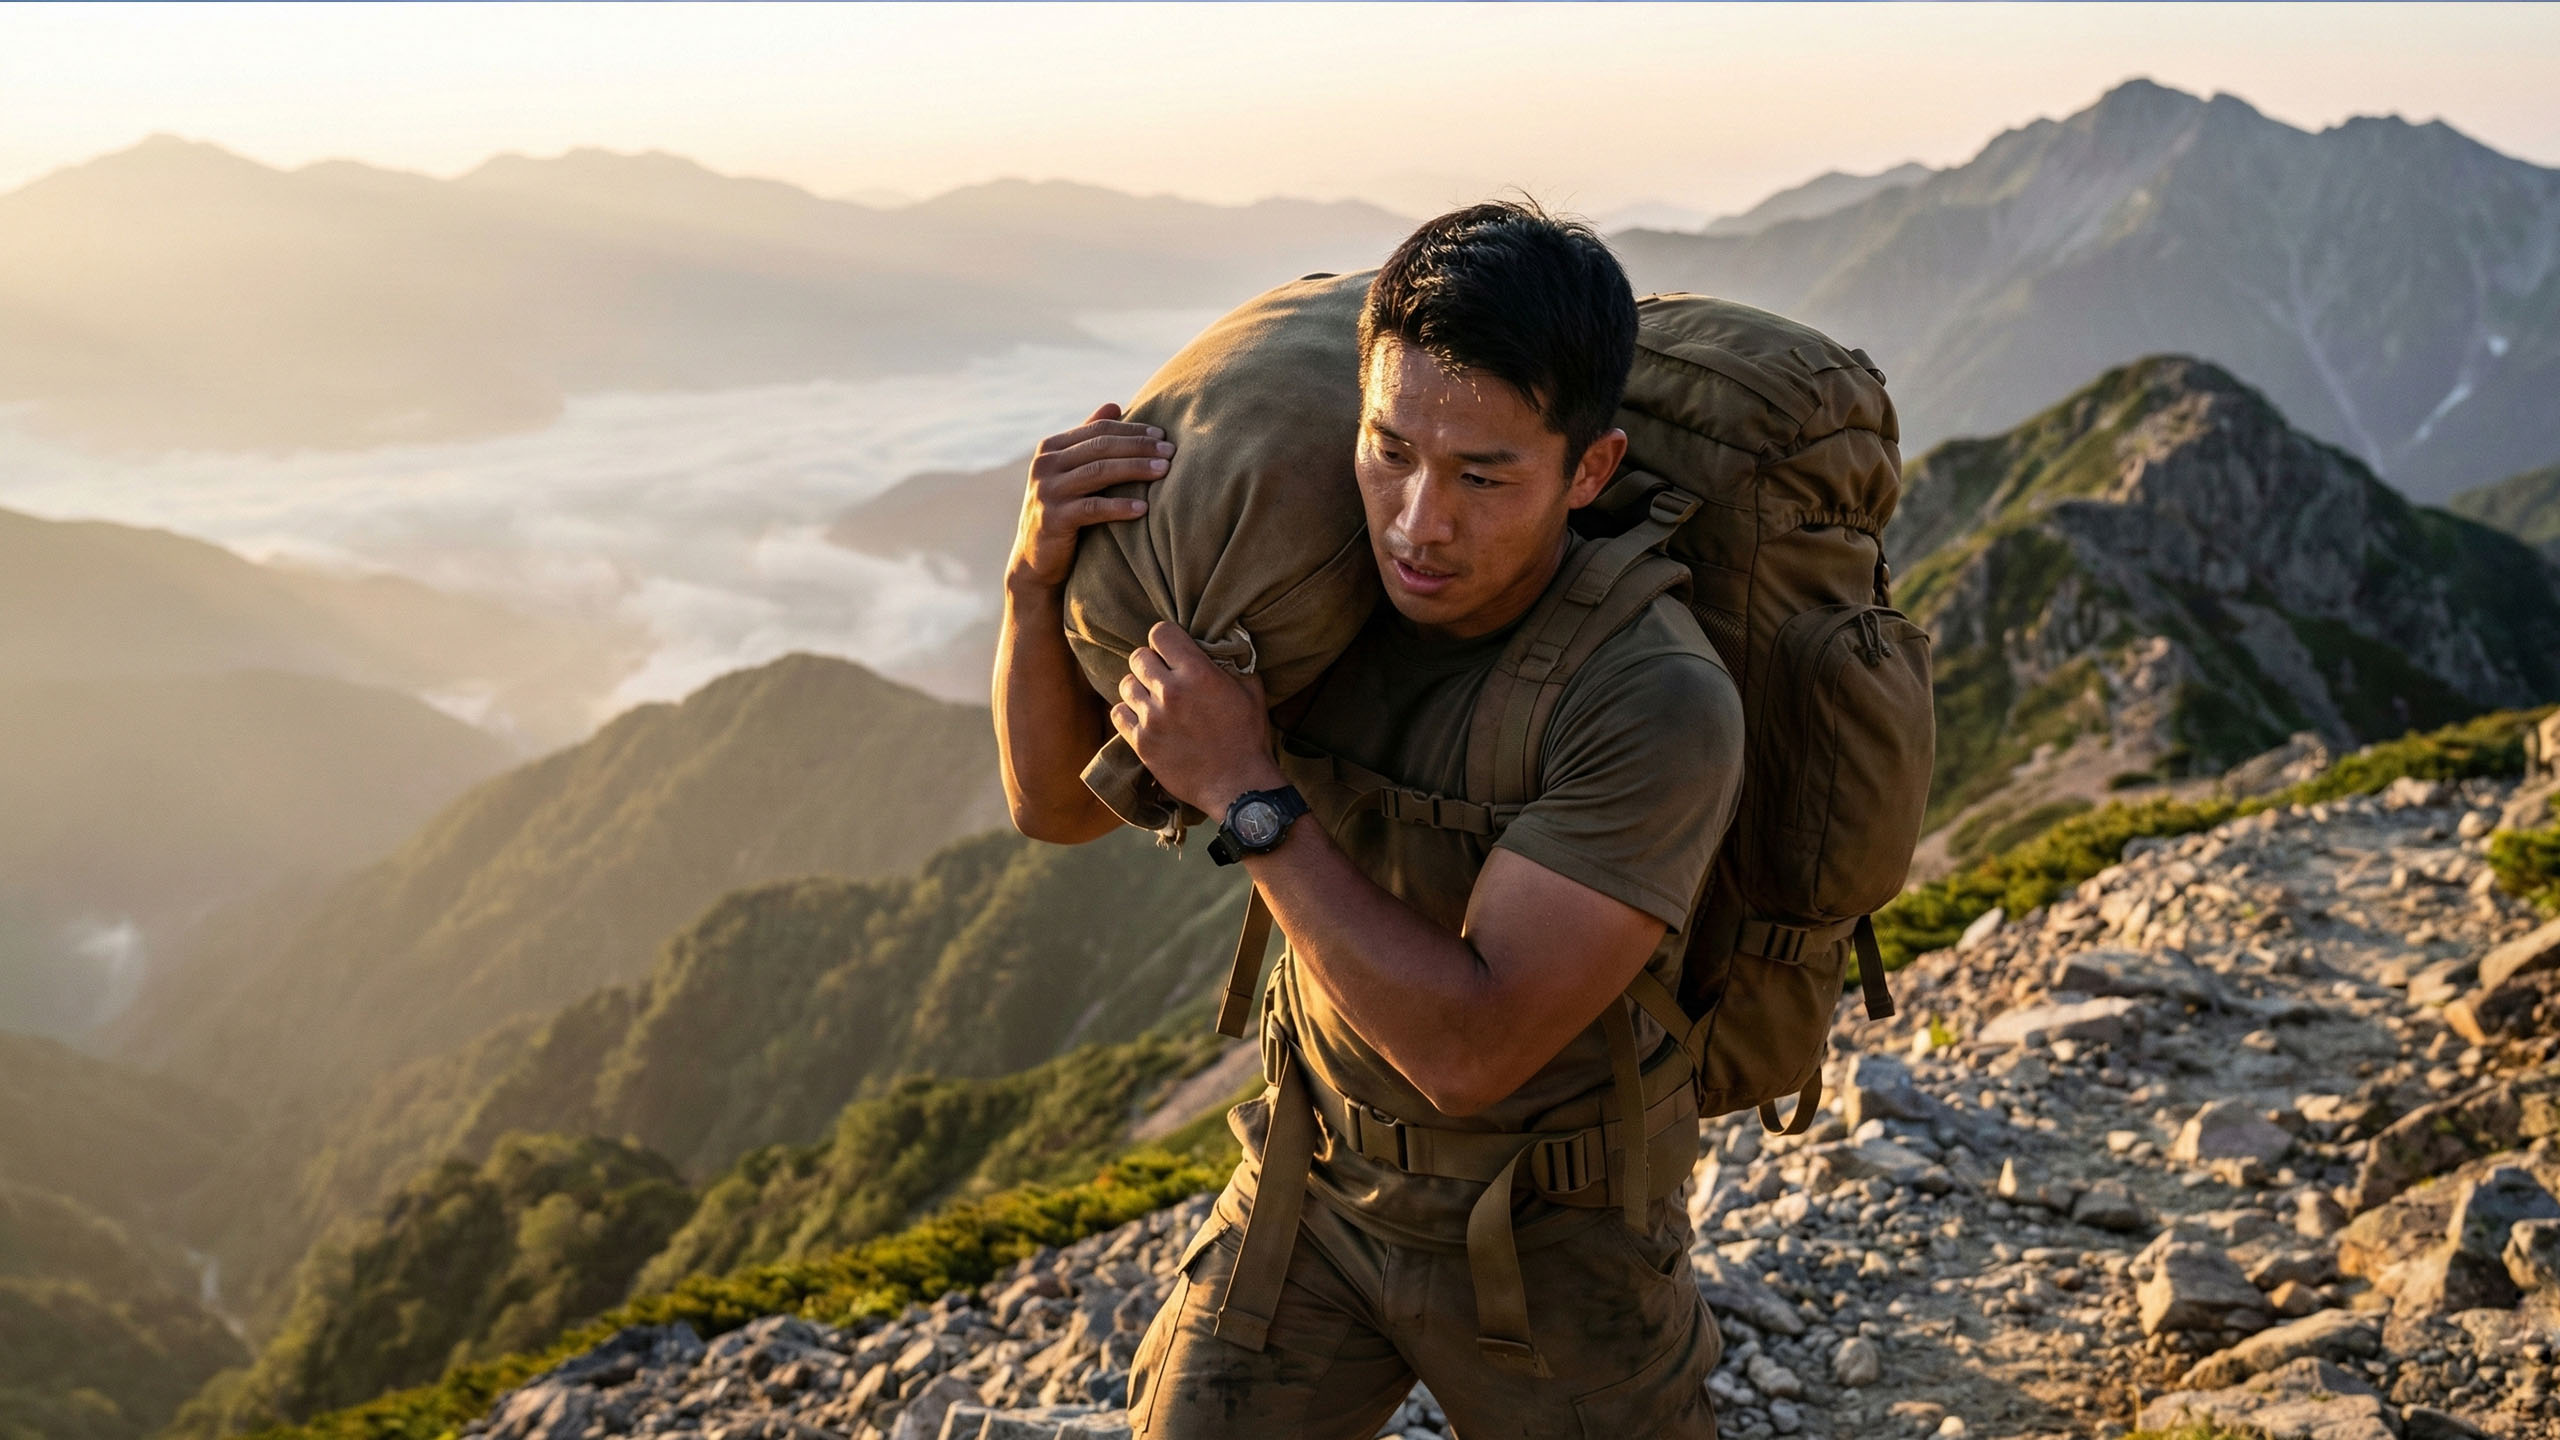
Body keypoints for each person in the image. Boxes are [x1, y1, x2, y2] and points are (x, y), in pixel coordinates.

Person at [993, 201, 1744, 1438]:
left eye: (1483, 476)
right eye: (1391, 450)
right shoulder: (1297, 592)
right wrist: (1033, 584)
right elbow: (1051, 811)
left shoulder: (1651, 698)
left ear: (1588, 470)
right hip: (1312, 1183)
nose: (1418, 523)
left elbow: (1471, 1051)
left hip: (1552, 1231)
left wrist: (1250, 794)